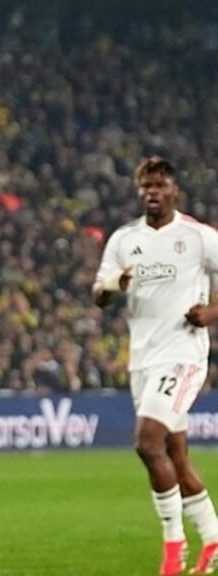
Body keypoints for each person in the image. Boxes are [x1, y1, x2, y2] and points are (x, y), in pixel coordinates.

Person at [93, 156, 218, 576]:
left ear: (174, 190)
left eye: (160, 185)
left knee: (147, 443)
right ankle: (214, 538)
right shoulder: (124, 239)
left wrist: (211, 313)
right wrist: (114, 284)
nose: (153, 192)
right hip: (143, 360)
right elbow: (98, 294)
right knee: (175, 458)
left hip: (183, 356)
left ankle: (172, 548)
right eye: (146, 185)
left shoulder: (199, 237)